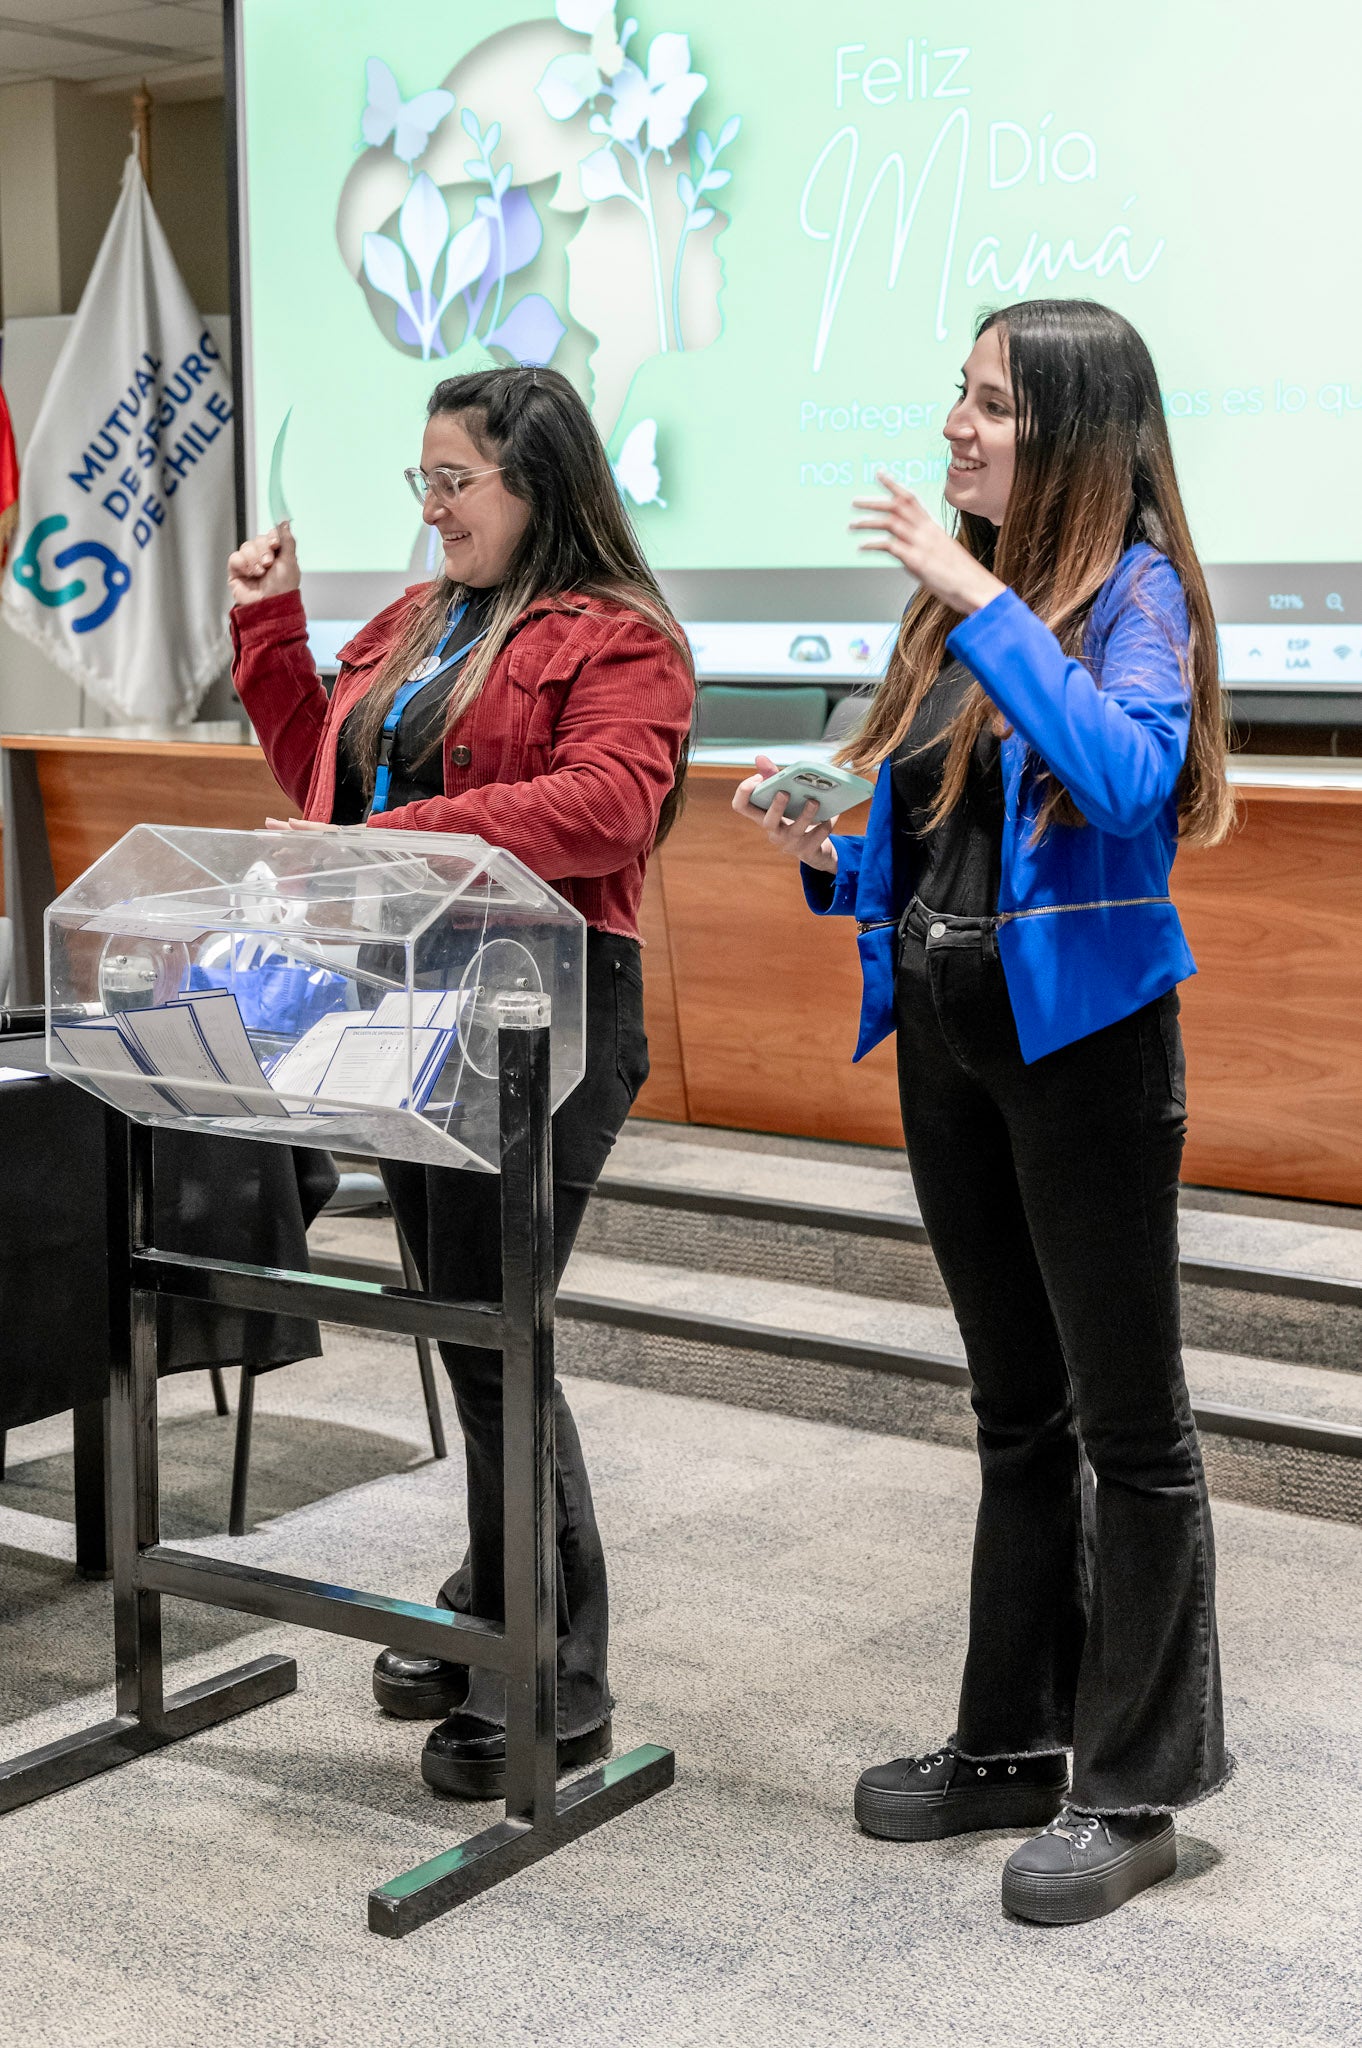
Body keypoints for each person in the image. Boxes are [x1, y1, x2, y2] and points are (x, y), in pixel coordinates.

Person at [734, 299, 1235, 1925]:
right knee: (1015, 1413)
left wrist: (974, 596)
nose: (957, 425)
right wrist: (825, 849)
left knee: (1128, 1429)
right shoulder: (956, 608)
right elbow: (936, 834)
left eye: (994, 404)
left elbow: (1126, 782)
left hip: (1085, 1051)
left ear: (1073, 431)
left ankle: (1135, 1785)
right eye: (958, 394)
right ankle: (1011, 1740)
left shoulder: (1129, 591)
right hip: (950, 1038)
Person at [228, 366, 694, 1800]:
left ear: (535, 484)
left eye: (454, 483)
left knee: (498, 1335)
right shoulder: (419, 622)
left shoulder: (619, 635)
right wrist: (270, 629)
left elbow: (609, 805)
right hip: (405, 1001)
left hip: (543, 1007)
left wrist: (420, 830)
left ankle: (557, 1676)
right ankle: (496, 1594)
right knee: (460, 1322)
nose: (431, 510)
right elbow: (329, 784)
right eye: (420, 484)